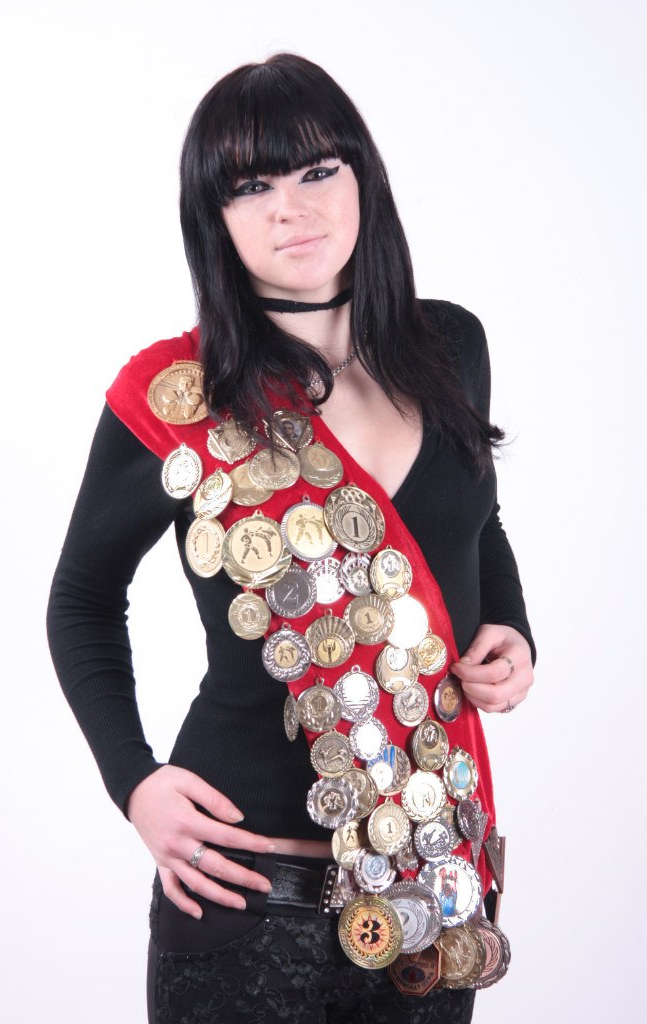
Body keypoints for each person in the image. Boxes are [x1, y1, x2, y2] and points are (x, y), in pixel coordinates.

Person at [47, 53, 535, 1023]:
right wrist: (133, 783)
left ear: (362, 178)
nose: (291, 209)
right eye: (251, 186)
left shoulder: (451, 346)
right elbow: (81, 599)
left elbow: (474, 518)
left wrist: (511, 629)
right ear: (214, 216)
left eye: (317, 170)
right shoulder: (174, 395)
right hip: (243, 893)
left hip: (430, 883)